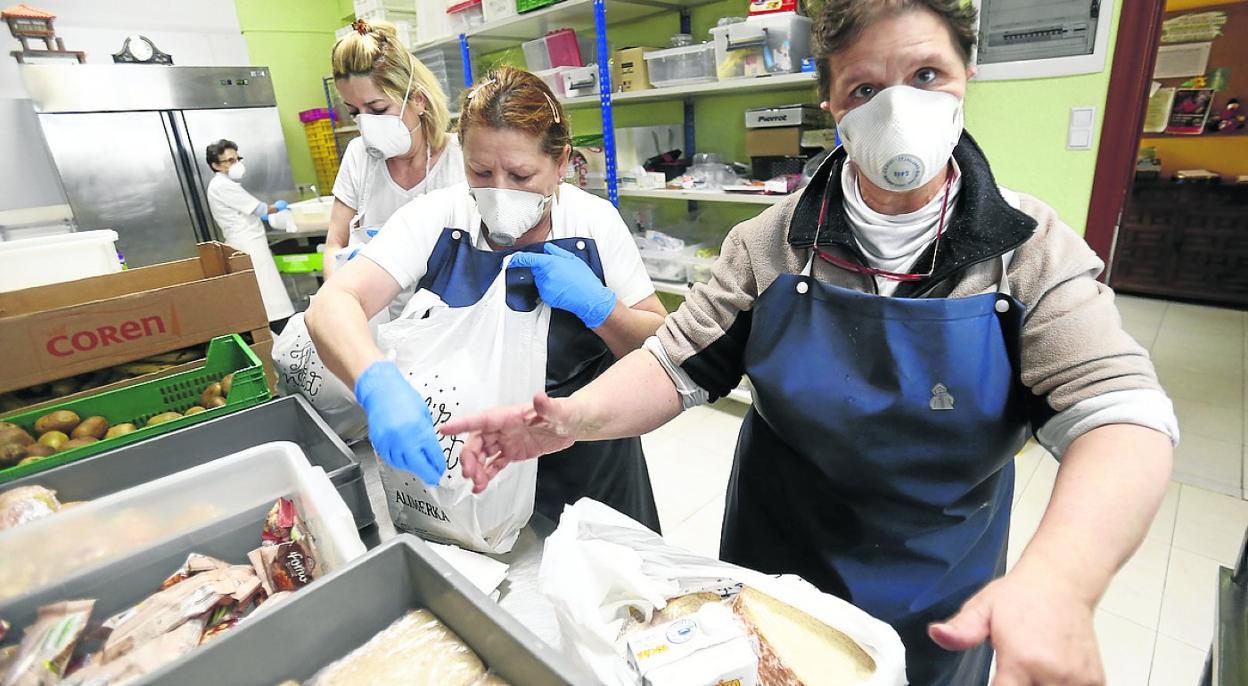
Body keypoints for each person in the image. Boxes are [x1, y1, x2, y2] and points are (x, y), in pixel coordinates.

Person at [442, 2, 1179, 684]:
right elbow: (674, 363)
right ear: (830, 103)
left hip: (937, 584)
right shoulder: (770, 244)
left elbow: (1121, 414)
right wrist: (568, 419)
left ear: (965, 80)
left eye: (926, 75)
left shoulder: (1027, 247)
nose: (898, 109)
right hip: (778, 562)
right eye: (863, 88)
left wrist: (1060, 579)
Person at [306, 66, 666, 530]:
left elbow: (662, 350)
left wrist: (603, 309)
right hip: (471, 466)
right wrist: (375, 382)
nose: (500, 191)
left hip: (588, 465)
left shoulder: (593, 223)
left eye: (520, 174)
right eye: (481, 170)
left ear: (561, 165)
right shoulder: (437, 217)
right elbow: (333, 304)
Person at [326, 20, 464, 285]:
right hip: (375, 319)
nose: (366, 124)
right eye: (355, 113)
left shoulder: (461, 158)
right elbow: (335, 244)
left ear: (418, 100)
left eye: (377, 110)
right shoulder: (359, 157)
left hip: (448, 317)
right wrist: (337, 299)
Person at [205, 139, 295, 332]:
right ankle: (280, 334)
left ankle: (280, 332)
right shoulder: (221, 185)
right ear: (216, 165)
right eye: (230, 160)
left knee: (268, 291)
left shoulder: (226, 184)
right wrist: (277, 208)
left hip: (250, 239)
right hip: (247, 244)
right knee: (268, 295)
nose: (236, 164)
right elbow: (259, 209)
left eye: (237, 159)